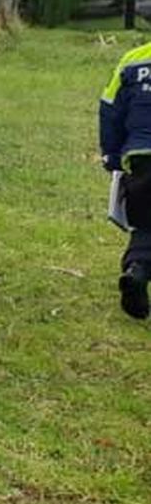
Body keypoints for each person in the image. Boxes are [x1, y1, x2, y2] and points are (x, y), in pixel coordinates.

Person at [100, 40, 151, 318]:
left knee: (144, 223)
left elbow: (110, 108)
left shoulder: (133, 59)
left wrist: (111, 154)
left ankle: (137, 271)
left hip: (141, 158)